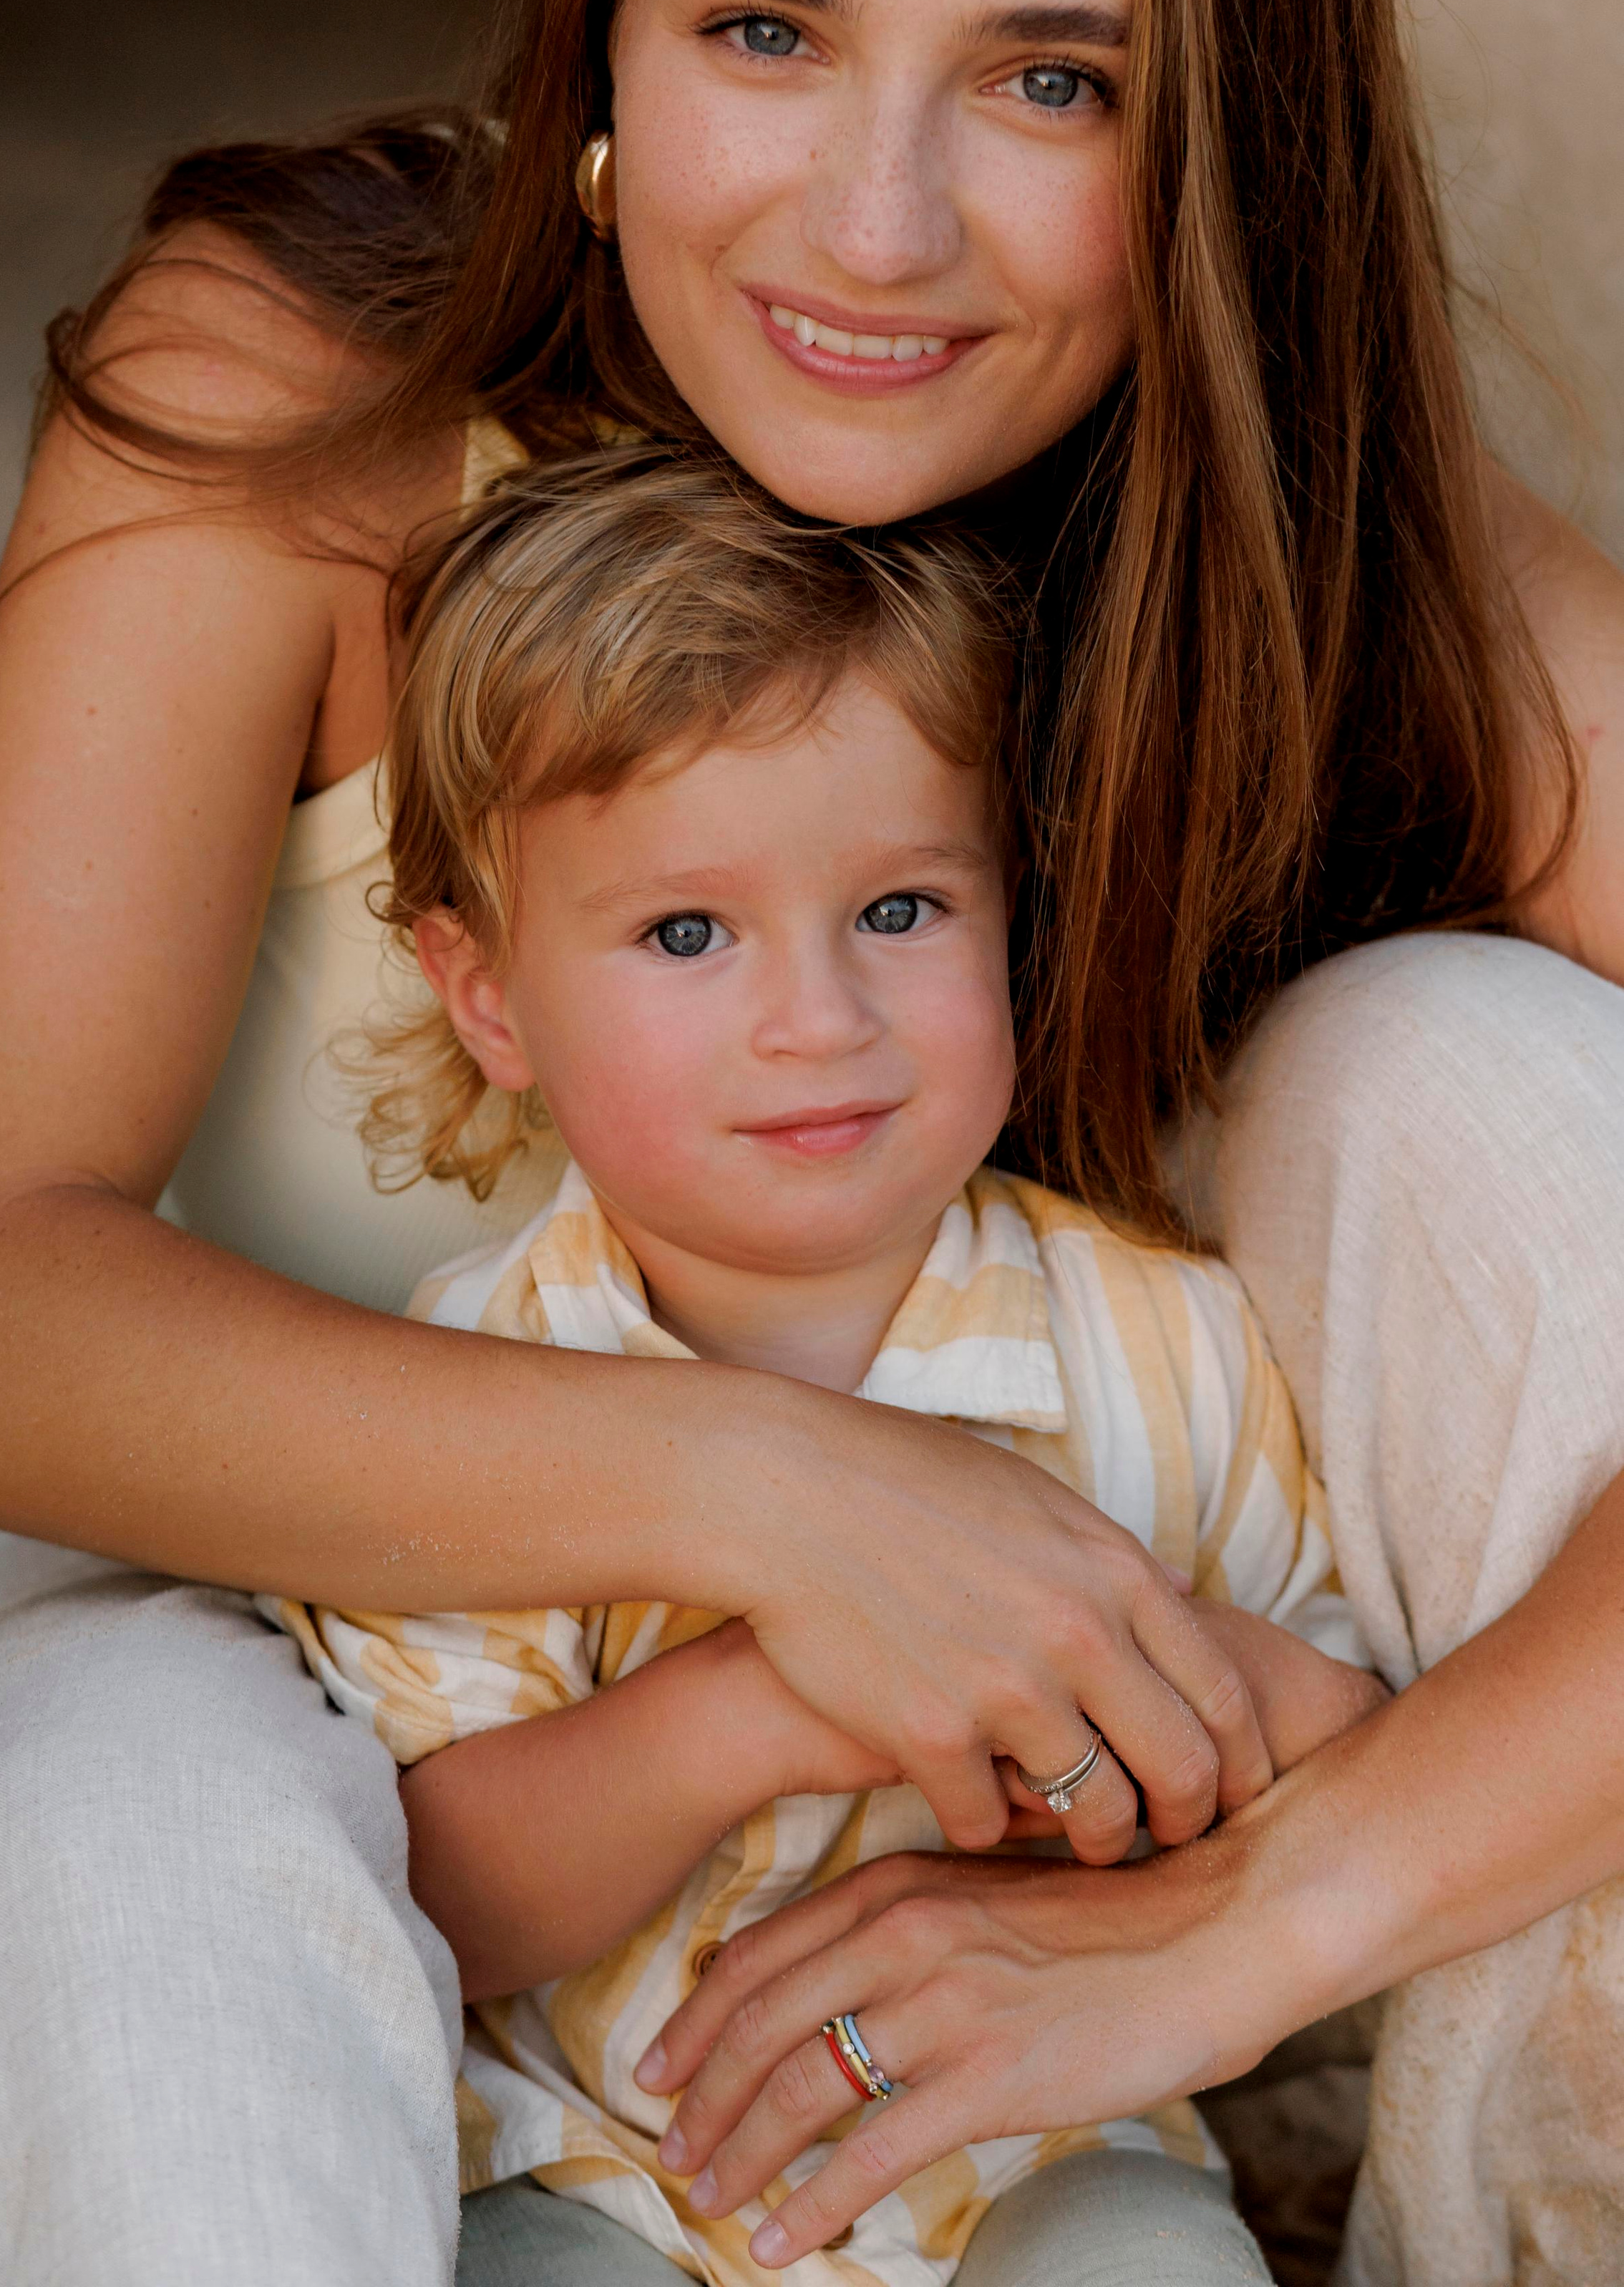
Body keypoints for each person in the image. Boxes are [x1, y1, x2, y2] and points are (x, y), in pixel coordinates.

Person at [0, 0, 1620, 2282]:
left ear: (1223, 132)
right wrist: (793, 1500)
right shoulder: (302, 391)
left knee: (1476, 1080)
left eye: (1052, 82)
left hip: (963, 1857)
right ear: (609, 33)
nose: (870, 229)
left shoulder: (1320, 547)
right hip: (240, 1669)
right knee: (137, 1805)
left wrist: (1280, 1902)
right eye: (767, 28)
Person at [268, 443, 1383, 2286]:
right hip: (587, 2166)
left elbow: (1349, 1753)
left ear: (1005, 905)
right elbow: (426, 1903)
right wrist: (770, 1707)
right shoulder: (475, 1384)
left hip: (1038, 2136)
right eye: (685, 933)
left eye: (897, 911)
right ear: (487, 997)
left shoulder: (1159, 1346)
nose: (818, 1020)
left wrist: (1143, 1679)